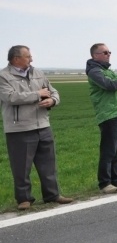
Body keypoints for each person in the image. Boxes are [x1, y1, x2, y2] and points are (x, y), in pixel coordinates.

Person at [0, 45, 73, 210]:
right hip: (19, 128)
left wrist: (52, 100)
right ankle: (24, 199)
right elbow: (10, 97)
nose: (31, 59)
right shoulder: (3, 76)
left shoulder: (38, 73)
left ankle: (52, 195)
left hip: (43, 125)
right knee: (21, 166)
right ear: (16, 59)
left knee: (48, 164)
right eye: (28, 56)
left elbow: (53, 91)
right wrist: (38, 95)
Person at [86, 43, 117, 194]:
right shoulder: (95, 72)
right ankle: (104, 182)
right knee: (108, 150)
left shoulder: (106, 70)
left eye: (109, 52)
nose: (108, 54)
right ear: (95, 55)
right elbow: (112, 85)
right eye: (105, 52)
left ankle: (116, 179)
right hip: (109, 115)